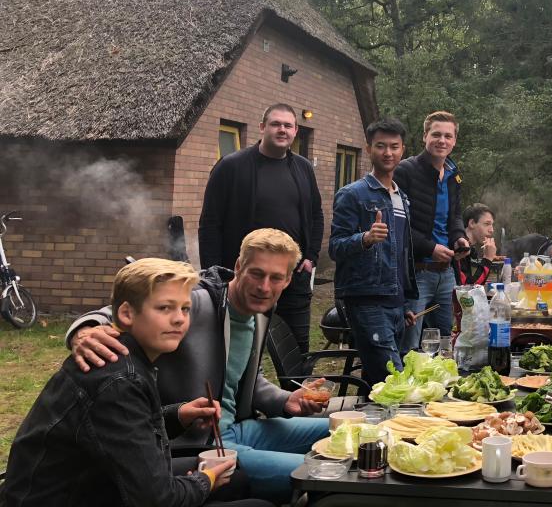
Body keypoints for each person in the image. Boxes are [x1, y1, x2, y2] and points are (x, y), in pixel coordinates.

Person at [65, 229, 330, 504]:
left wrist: (286, 400)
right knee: (323, 475)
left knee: (340, 431)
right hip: (199, 444)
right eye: (256, 273)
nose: (264, 287)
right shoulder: (197, 301)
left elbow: (243, 378)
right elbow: (117, 311)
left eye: (275, 277)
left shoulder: (260, 313)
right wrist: (85, 330)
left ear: (287, 280)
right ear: (238, 267)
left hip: (239, 428)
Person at [3, 258, 271, 507]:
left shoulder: (130, 358)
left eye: (185, 308)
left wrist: (179, 415)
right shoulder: (119, 378)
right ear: (127, 314)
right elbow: (157, 500)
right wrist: (206, 480)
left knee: (236, 479)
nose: (179, 318)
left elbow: (121, 429)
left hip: (98, 480)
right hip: (66, 497)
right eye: (164, 308)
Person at [198, 103, 323, 353]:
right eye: (275, 124)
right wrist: (214, 275)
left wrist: (311, 257)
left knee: (298, 353)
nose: (282, 130)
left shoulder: (303, 168)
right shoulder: (231, 166)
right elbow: (210, 224)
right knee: (239, 351)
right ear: (262, 127)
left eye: (288, 125)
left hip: (292, 277)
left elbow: (316, 215)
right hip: (246, 278)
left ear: (295, 131)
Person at [329, 119, 419, 386]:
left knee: (377, 385)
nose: (388, 153)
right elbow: (335, 247)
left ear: (402, 150)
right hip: (366, 301)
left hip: (395, 302)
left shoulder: (402, 198)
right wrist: (365, 239)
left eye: (394, 146)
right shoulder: (352, 194)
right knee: (395, 383)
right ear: (368, 149)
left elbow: (401, 255)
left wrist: (404, 302)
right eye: (381, 146)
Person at [395, 111, 470, 352]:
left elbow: (455, 216)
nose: (442, 140)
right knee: (410, 345)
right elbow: (398, 225)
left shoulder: (453, 175)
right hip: (417, 273)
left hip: (446, 273)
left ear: (454, 141)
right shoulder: (405, 171)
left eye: (448, 136)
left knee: (445, 343)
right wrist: (430, 248)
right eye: (436, 134)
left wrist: (459, 237)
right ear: (425, 136)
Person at [456, 203, 498, 286]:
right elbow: (468, 287)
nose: (491, 230)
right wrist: (488, 259)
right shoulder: (460, 246)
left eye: (492, 225)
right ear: (472, 223)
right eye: (487, 224)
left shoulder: (470, 248)